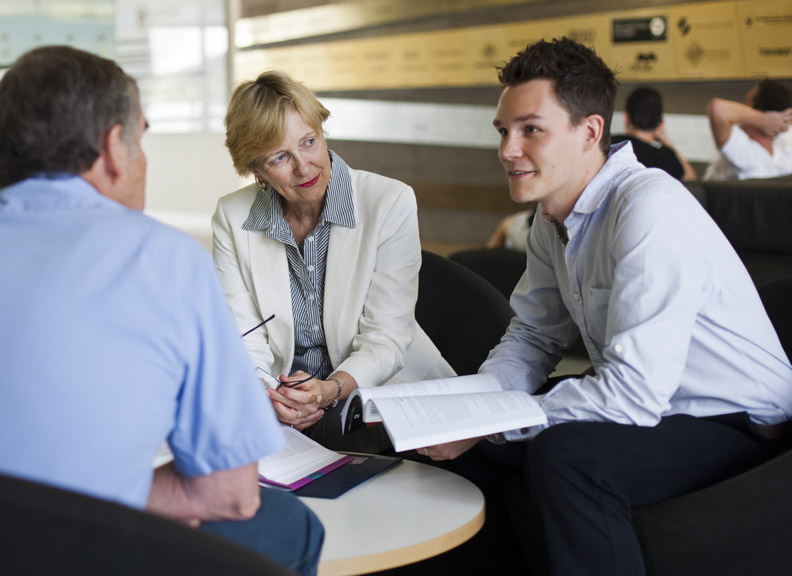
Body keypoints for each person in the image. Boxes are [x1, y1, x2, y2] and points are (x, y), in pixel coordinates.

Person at [421, 38, 792, 575]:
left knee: (569, 457)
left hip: (737, 424)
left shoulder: (648, 207)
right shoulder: (550, 218)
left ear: (590, 131)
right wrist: (473, 409)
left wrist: (496, 421)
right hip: (658, 408)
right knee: (460, 448)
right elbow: (534, 337)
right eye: (503, 131)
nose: (507, 150)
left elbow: (634, 393)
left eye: (530, 130)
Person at [0, 46, 322, 576]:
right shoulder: (162, 258)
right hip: (80, 550)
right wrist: (102, 496)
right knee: (288, 522)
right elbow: (229, 494)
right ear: (113, 147)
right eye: (141, 138)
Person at [213, 70, 455, 452]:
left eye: (309, 142)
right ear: (256, 169)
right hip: (286, 405)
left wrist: (327, 391)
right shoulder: (232, 216)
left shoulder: (389, 202)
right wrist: (270, 397)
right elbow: (245, 336)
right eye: (280, 157)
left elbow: (386, 340)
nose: (304, 166)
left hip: (380, 398)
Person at [703, 79, 792, 180]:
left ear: (758, 112)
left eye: (746, 103)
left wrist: (762, 120)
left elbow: (718, 108)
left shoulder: (748, 157)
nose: (743, 109)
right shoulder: (784, 149)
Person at [611, 86, 697, 181]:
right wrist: (667, 142)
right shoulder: (665, 157)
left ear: (626, 118)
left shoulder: (610, 145)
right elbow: (690, 178)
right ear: (660, 123)